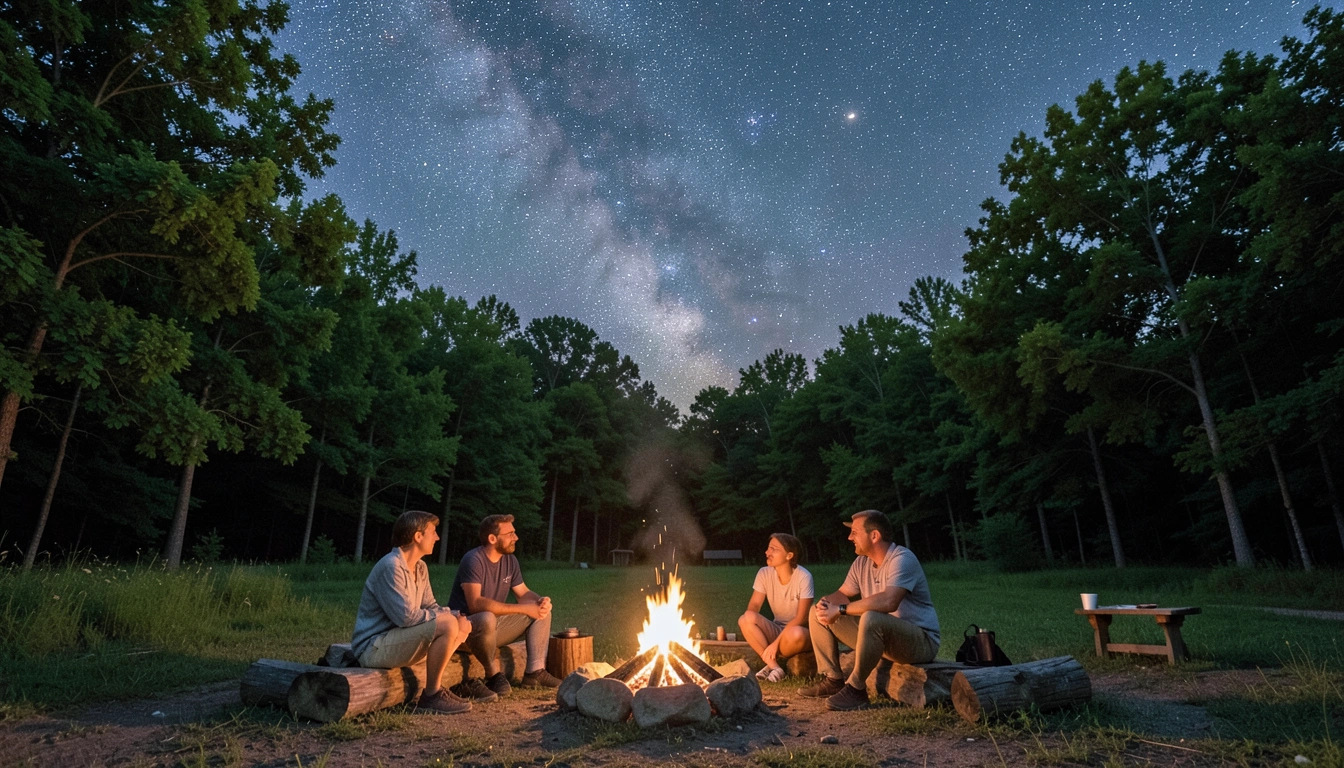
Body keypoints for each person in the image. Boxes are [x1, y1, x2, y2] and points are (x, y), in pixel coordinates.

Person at [801, 509, 940, 711]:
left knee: (871, 617)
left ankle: (856, 689)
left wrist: (840, 609)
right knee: (817, 611)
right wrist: (826, 604)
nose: (850, 537)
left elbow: (889, 601)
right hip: (882, 636)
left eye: (855, 532)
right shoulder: (862, 562)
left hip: (920, 641)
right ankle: (834, 679)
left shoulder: (902, 559)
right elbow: (843, 593)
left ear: (874, 535)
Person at [350, 510, 473, 714]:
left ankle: (437, 685)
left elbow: (429, 605)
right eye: (433, 532)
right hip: (374, 648)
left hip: (398, 641)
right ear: (418, 536)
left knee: (461, 624)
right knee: (449, 624)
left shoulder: (420, 567)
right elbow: (406, 617)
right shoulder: (391, 566)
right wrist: (447, 617)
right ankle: (431, 695)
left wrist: (453, 614)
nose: (437, 537)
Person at [447, 514, 563, 700]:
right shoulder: (473, 560)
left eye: (514, 533)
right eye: (510, 534)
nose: (515, 537)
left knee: (541, 612)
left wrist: (540, 601)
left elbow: (523, 593)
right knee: (486, 617)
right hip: (466, 632)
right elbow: (475, 604)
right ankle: (493, 674)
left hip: (494, 629)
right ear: (492, 539)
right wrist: (524, 609)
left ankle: (534, 673)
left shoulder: (510, 561)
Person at [737, 533, 814, 682]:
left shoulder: (804, 577)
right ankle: (774, 666)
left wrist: (775, 644)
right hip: (777, 629)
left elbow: (801, 618)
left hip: (799, 633)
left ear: (789, 555)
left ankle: (770, 663)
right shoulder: (764, 573)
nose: (767, 552)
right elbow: (754, 605)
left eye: (774, 549)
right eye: (768, 548)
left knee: (796, 633)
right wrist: (751, 624)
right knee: (745, 618)